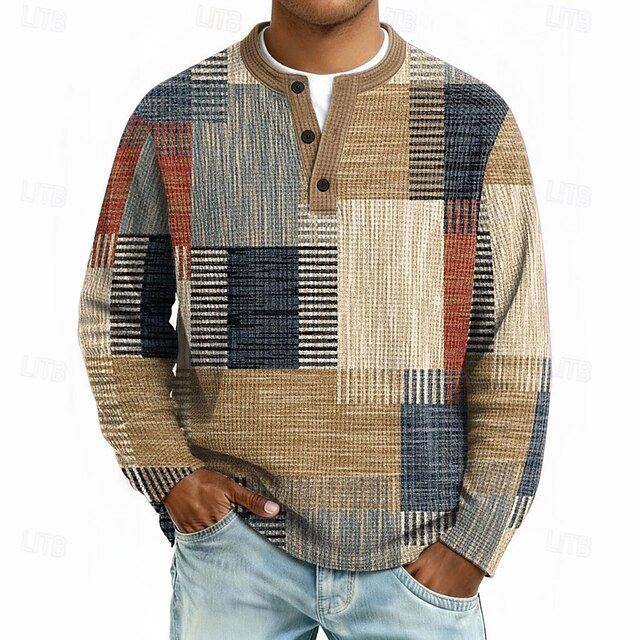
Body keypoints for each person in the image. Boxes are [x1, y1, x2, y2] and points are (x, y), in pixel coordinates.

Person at [77, 1, 552, 638]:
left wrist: (474, 543)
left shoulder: (471, 116)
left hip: (422, 556)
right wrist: (170, 475)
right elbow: (116, 315)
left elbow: (515, 345)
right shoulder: (175, 113)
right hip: (235, 555)